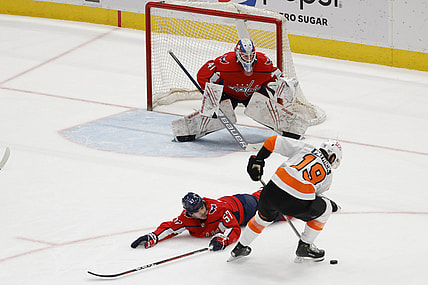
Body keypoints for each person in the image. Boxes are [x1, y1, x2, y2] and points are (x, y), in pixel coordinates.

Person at [229, 135, 342, 263]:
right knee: (325, 209)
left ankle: (240, 247)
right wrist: (329, 205)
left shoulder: (306, 148)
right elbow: (315, 197)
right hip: (296, 203)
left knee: (262, 218)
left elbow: (272, 141)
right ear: (332, 157)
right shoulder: (329, 175)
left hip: (271, 191)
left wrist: (259, 160)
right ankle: (305, 246)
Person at [171, 38, 309, 143]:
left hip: (254, 93)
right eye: (244, 56)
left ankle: (292, 131)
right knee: (217, 113)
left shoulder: (264, 63)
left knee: (266, 109)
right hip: (229, 94)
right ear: (237, 54)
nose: (248, 59)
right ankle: (187, 131)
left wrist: (283, 84)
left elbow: (276, 76)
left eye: (250, 56)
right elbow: (203, 74)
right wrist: (209, 91)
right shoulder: (225, 63)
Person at [131, 190, 283, 251]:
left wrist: (223, 239)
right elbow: (170, 227)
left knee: (284, 210)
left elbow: (234, 228)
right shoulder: (185, 219)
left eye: (202, 206)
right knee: (269, 197)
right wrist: (154, 236)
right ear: (190, 213)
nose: (203, 211)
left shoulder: (217, 210)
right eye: (197, 210)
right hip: (237, 204)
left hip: (245, 207)